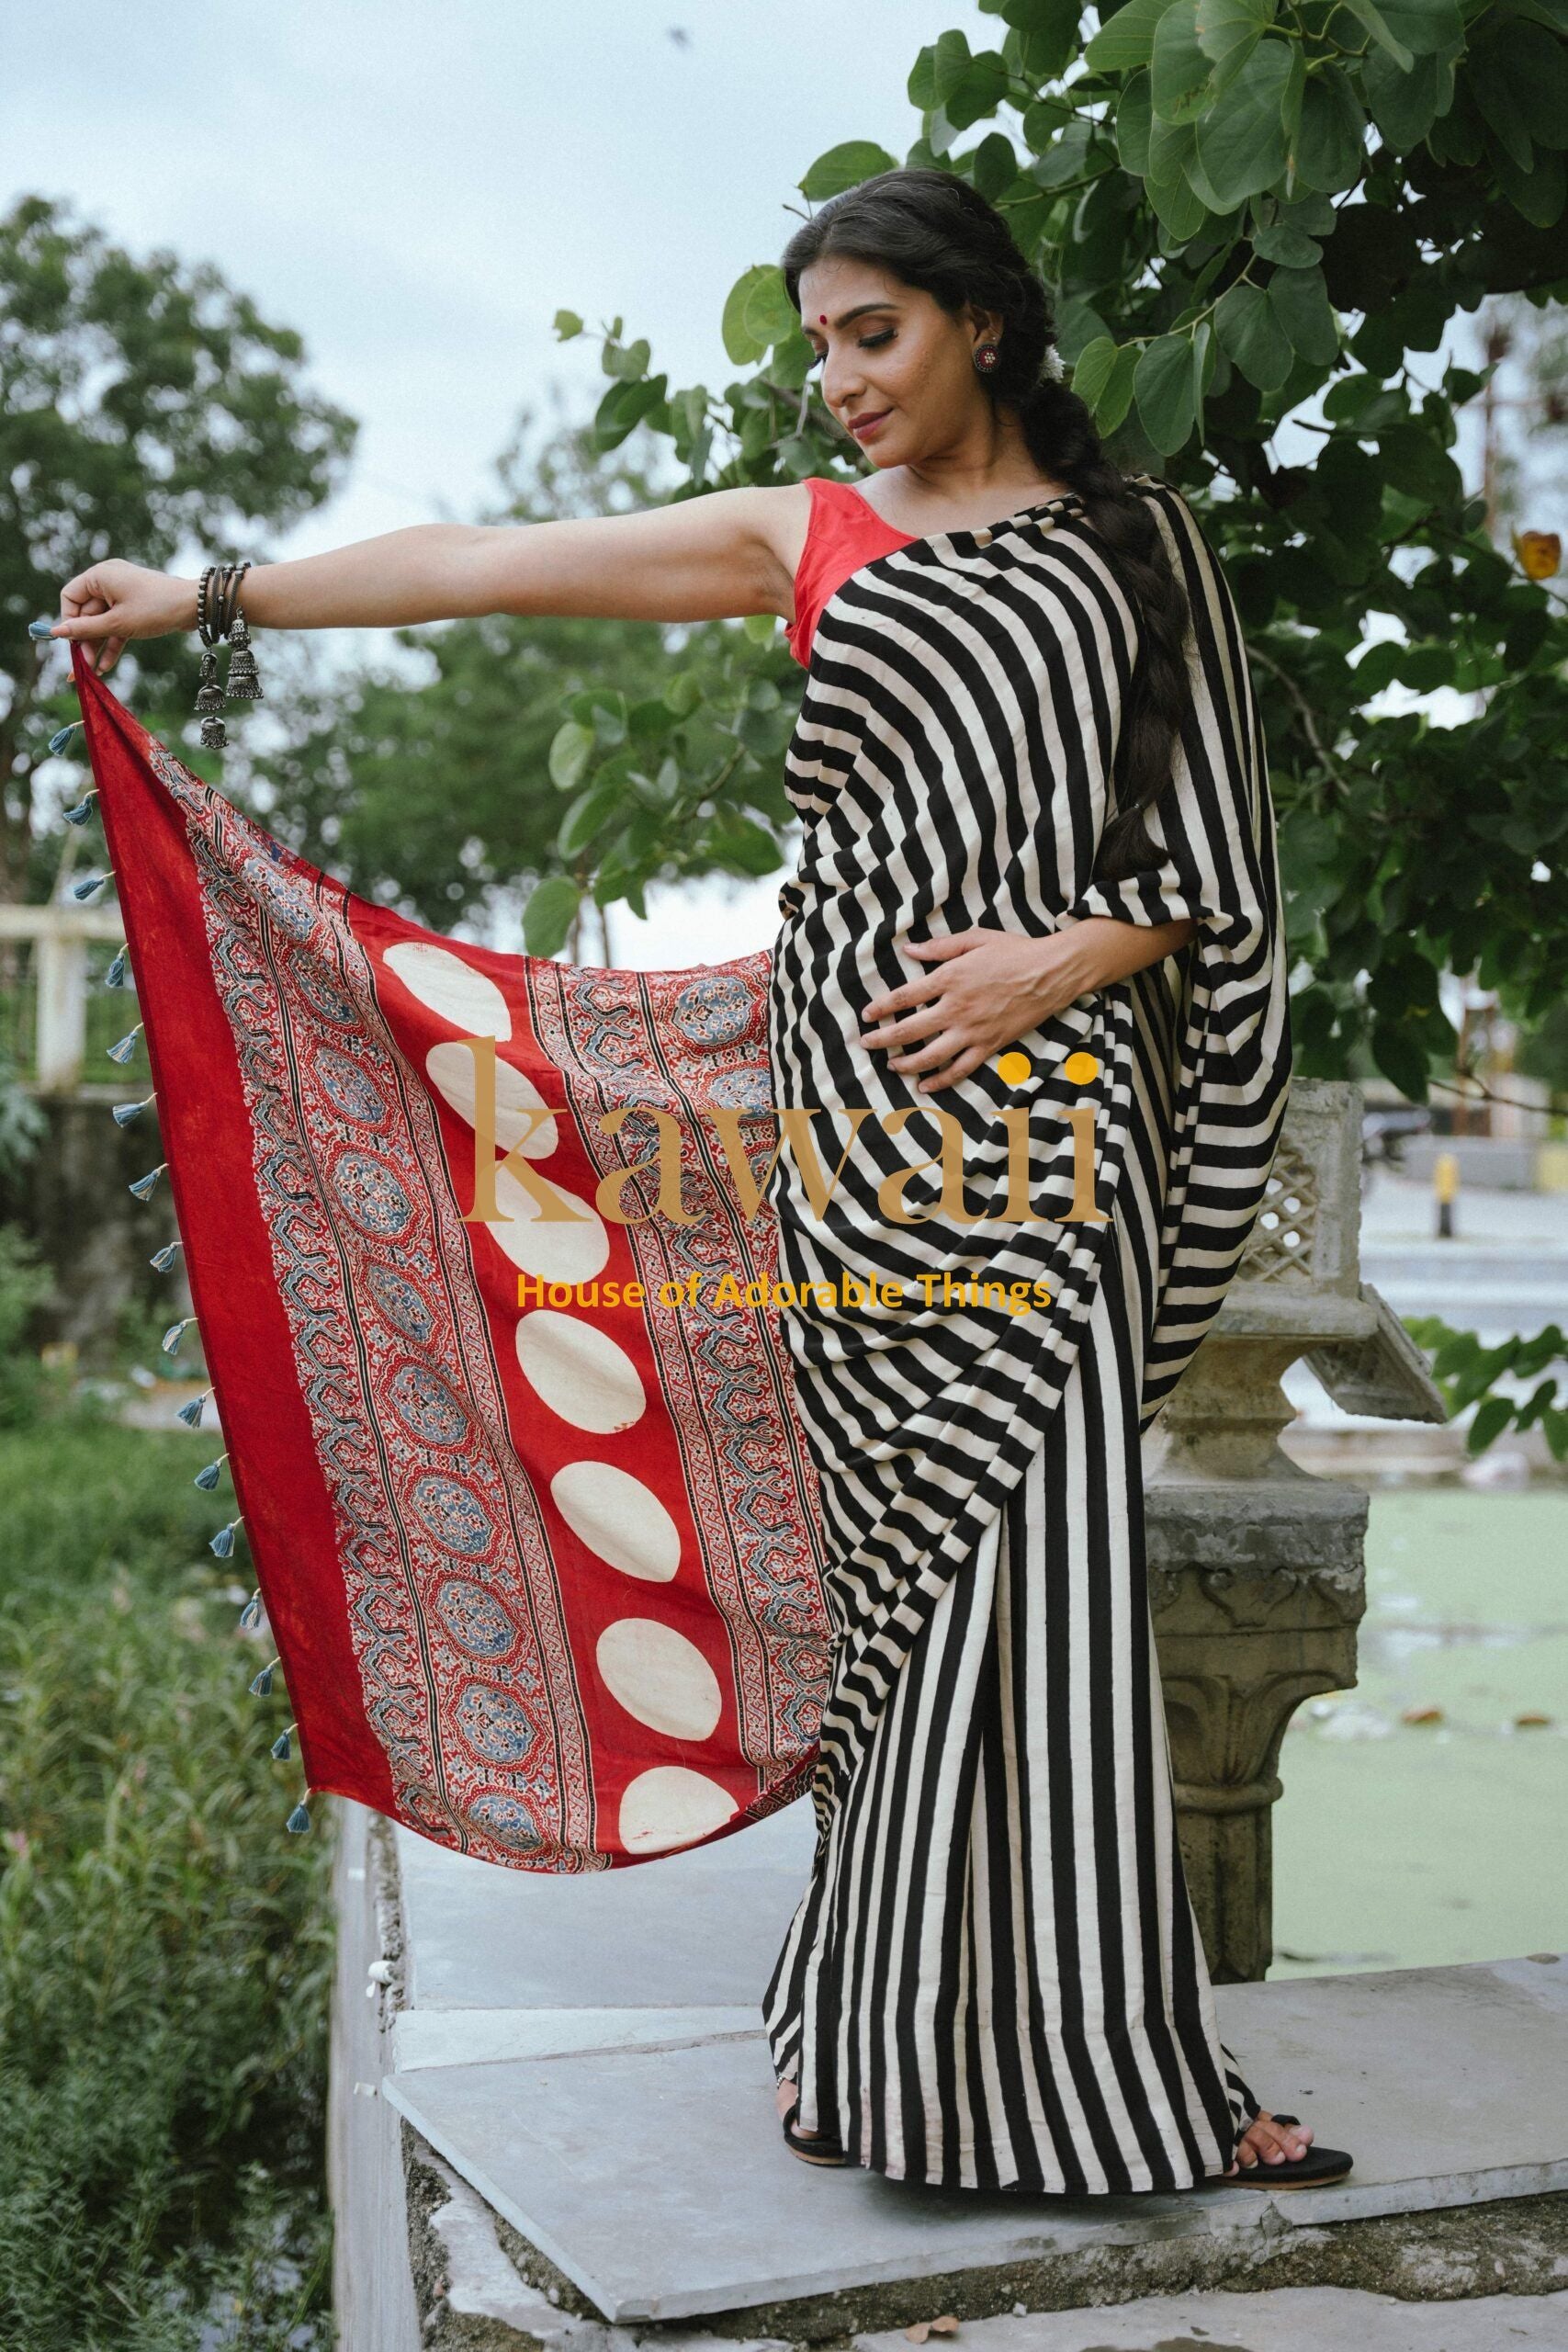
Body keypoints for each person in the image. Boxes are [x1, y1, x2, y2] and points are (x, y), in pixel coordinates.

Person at [51, 165, 1350, 2199]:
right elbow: (488, 561)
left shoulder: (1131, 543)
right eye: (822, 340)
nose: (840, 379)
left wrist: (1054, 952)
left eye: (876, 333)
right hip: (850, 1115)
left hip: (1049, 1118)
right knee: (915, 1602)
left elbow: (1211, 856)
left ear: (984, 324)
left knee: (1054, 1582)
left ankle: (1106, 2066)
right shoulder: (802, 539)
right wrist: (214, 600)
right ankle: (886, 2035)